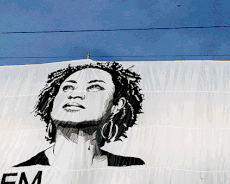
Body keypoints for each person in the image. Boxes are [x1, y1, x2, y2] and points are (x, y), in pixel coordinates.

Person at [15, 61, 145, 168]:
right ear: (52, 101)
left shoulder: (132, 167)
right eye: (67, 88)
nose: (75, 94)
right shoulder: (24, 172)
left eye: (95, 87)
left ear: (117, 105)